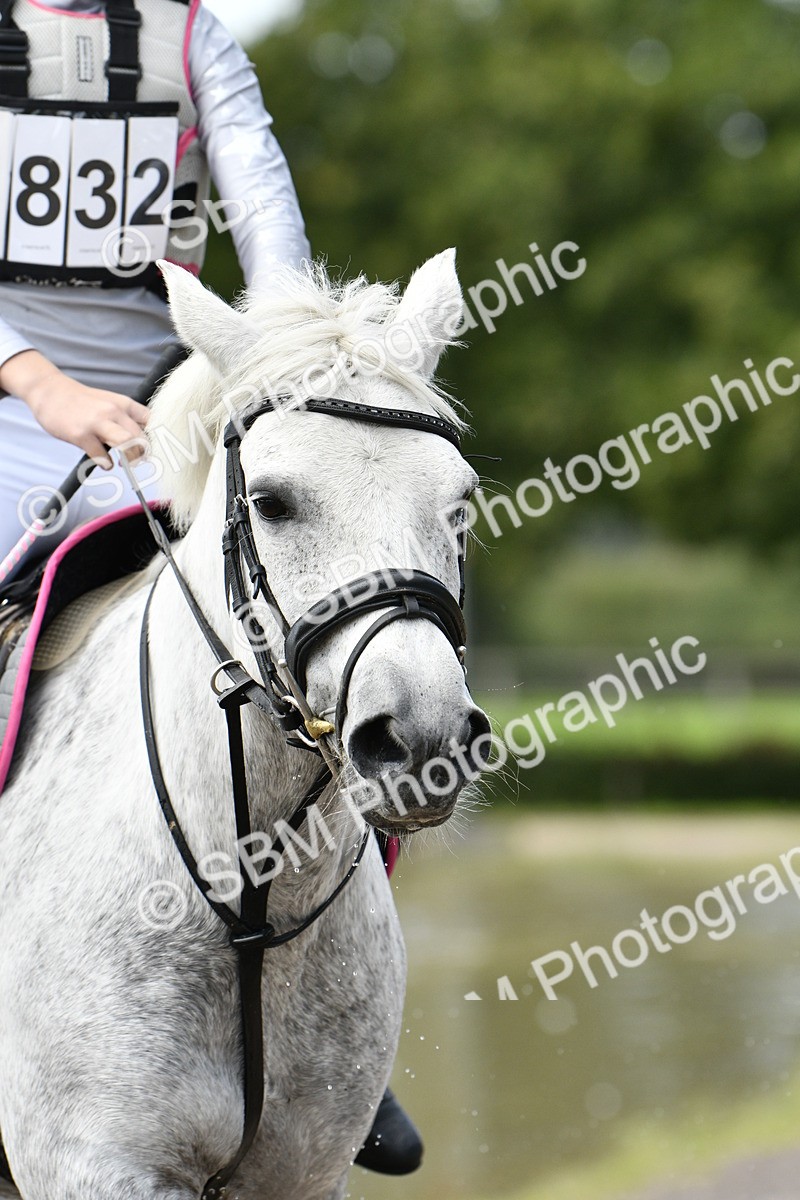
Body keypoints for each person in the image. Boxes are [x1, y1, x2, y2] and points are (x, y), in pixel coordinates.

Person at [0, 0, 422, 1176]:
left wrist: (287, 354)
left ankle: (342, 1041)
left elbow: (265, 212)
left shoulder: (187, 38)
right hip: (11, 415)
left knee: (326, 655)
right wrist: (43, 390)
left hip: (173, 410)